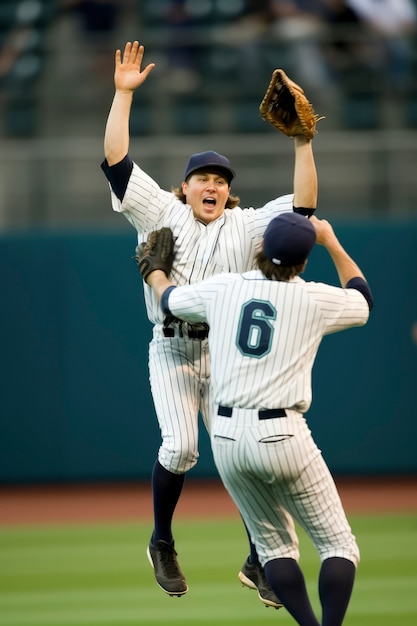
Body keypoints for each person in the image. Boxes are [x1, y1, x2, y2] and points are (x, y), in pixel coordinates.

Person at [101, 40, 318, 604]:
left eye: (222, 180)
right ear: (186, 187)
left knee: (244, 453)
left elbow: (303, 209)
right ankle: (162, 540)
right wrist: (122, 97)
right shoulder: (163, 210)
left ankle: (260, 558)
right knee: (181, 450)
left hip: (224, 356)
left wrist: (302, 142)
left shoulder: (246, 227)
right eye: (204, 178)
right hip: (173, 351)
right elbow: (119, 164)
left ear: (229, 191)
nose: (213, 186)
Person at [141, 212, 373, 625]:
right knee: (339, 547)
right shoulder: (313, 297)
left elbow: (168, 299)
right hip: (283, 434)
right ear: (302, 262)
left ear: (261, 249)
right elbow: (361, 299)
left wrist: (157, 271)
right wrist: (331, 241)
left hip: (228, 438)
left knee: (274, 552)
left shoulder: (225, 288)